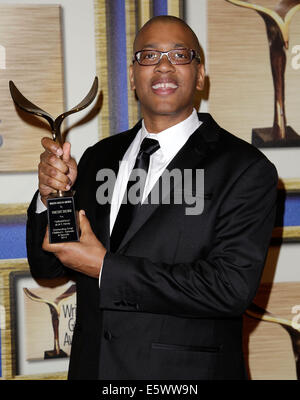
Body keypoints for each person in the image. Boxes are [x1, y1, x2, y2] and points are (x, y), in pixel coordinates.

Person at [26, 15, 278, 380]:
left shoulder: (244, 169)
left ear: (200, 74)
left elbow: (229, 289)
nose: (162, 66)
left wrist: (105, 268)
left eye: (179, 55)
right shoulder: (99, 158)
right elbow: (48, 268)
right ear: (132, 77)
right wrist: (51, 199)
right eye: (148, 56)